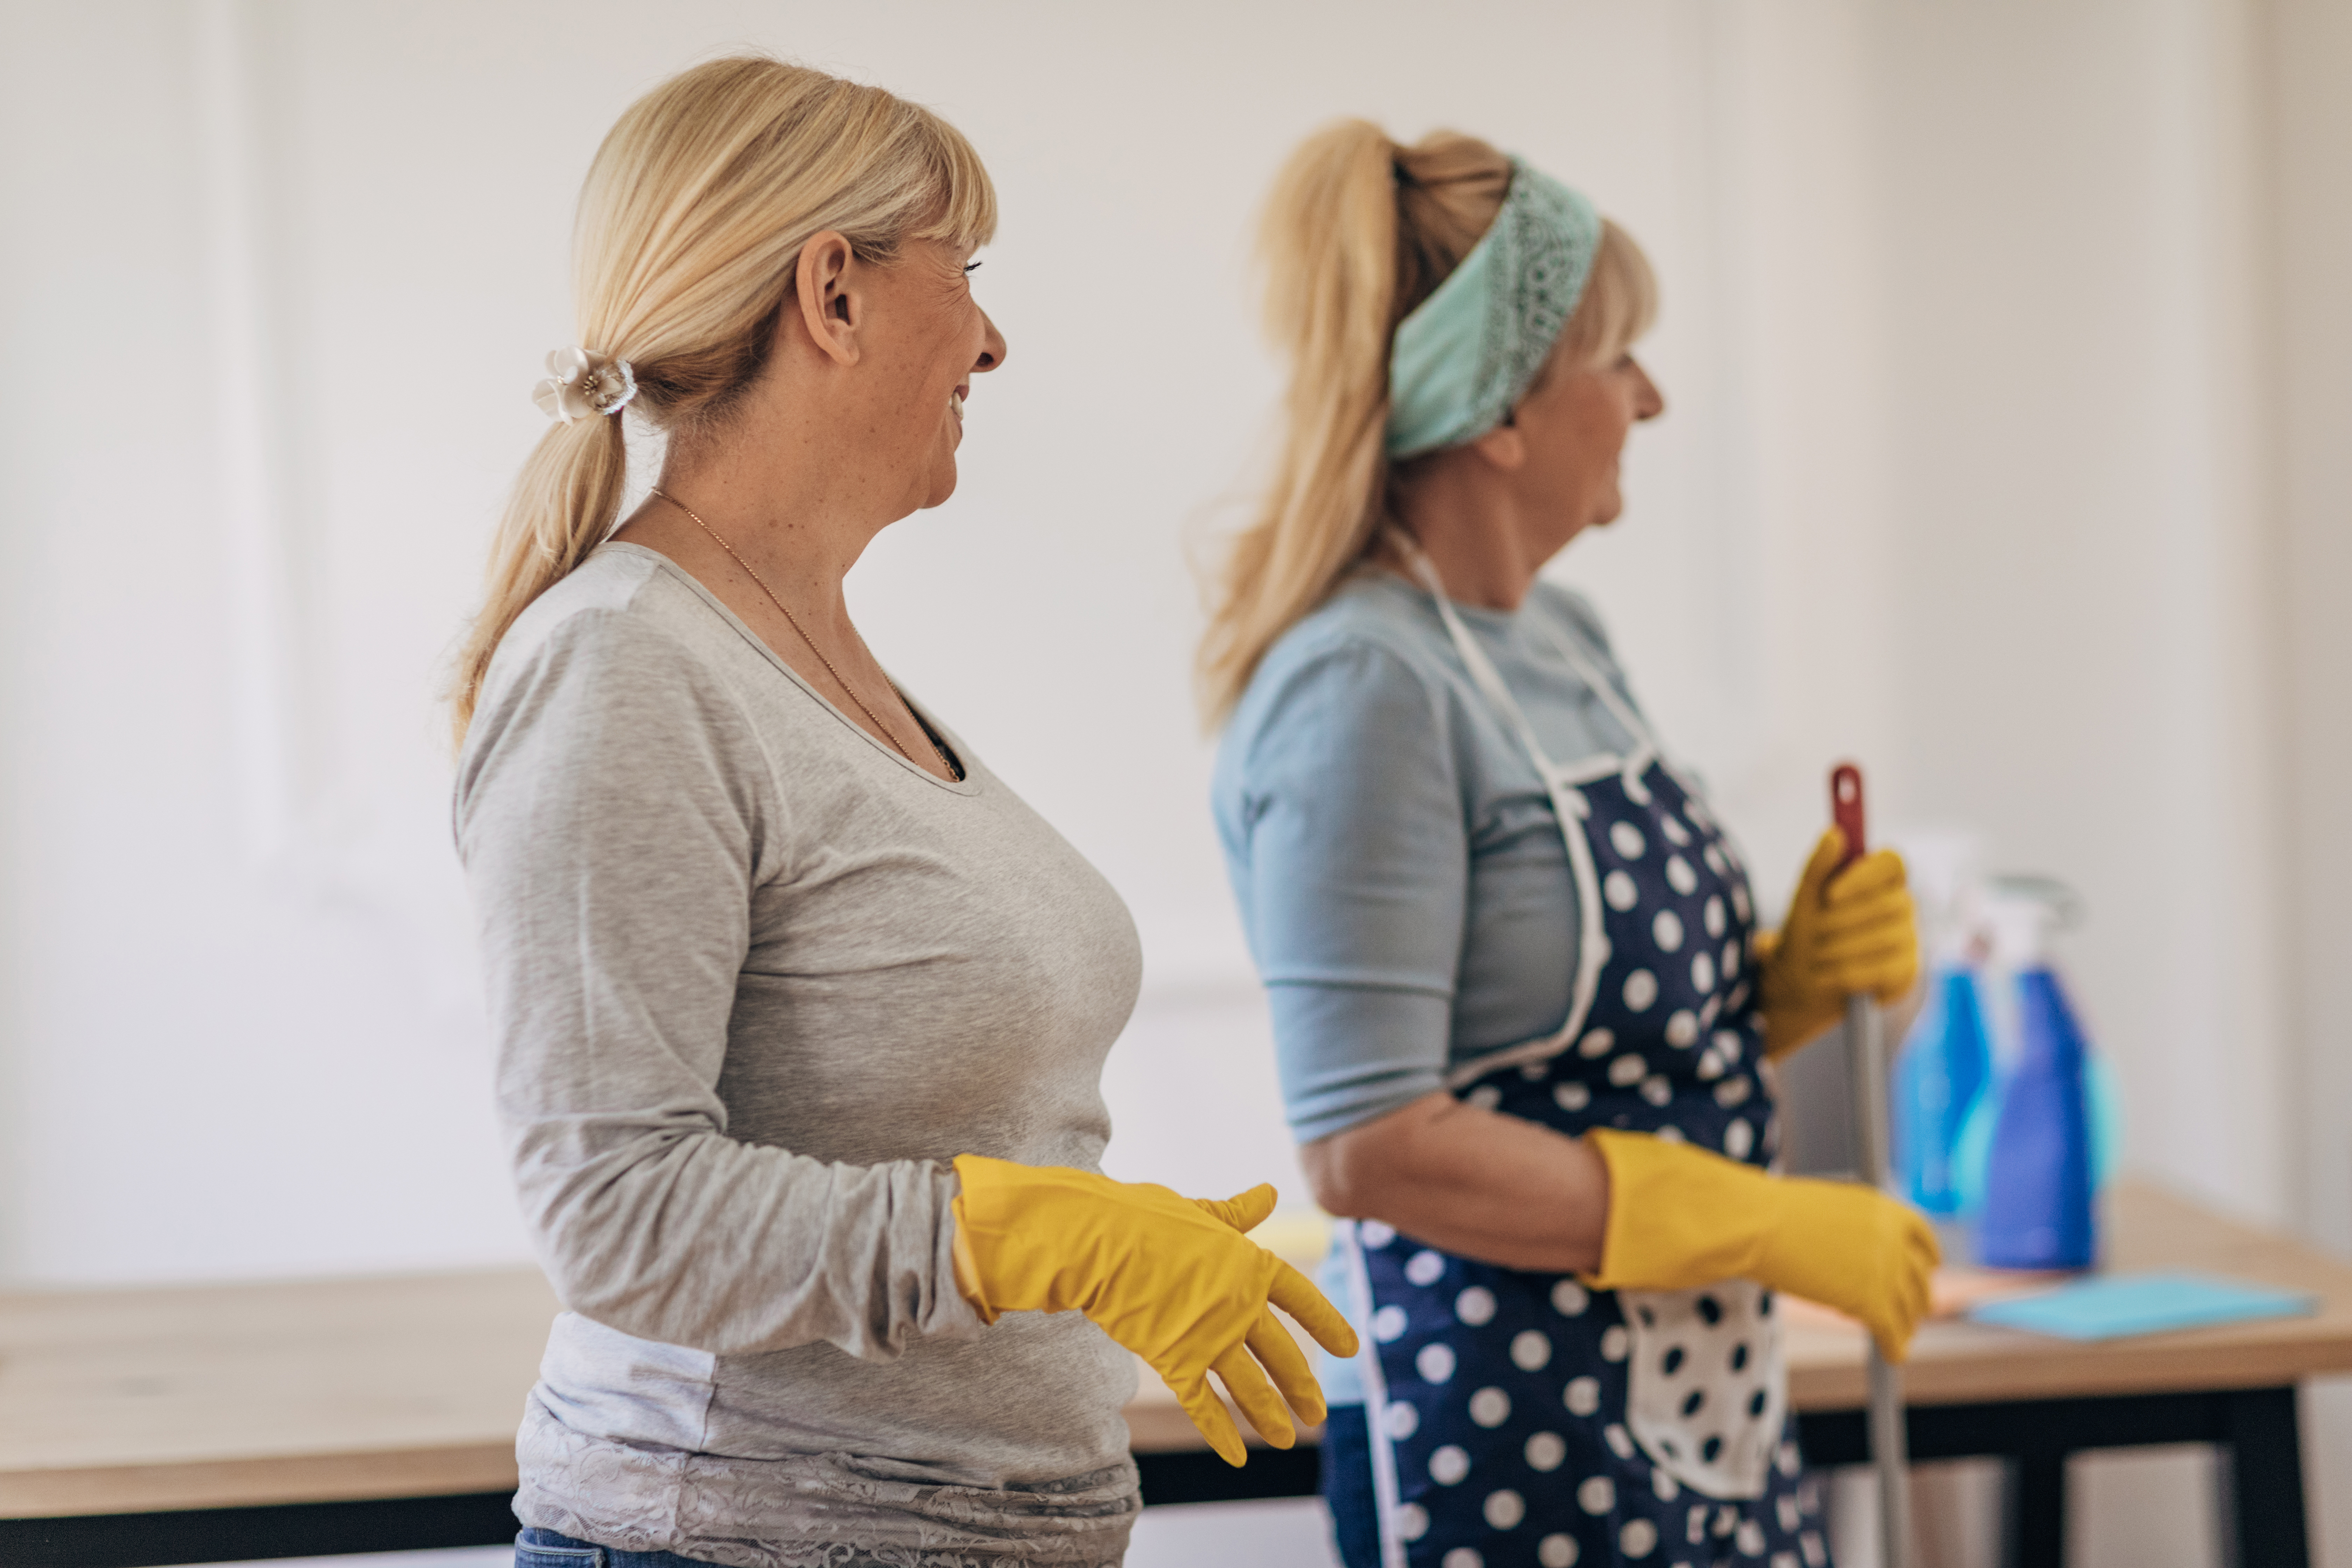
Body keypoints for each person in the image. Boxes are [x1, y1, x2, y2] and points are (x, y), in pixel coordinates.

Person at [451, 57, 1352, 1568]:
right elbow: (616, 1216)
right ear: (835, 294)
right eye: (968, 271)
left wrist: (1092, 1230)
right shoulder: (622, 665)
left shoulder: (807, 656)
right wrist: (1039, 1236)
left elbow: (909, 1138)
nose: (991, 342)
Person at [1204, 123, 1938, 1568]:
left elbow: (1593, 1055)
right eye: (1617, 358)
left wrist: (1785, 984)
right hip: (1495, 1432)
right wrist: (1762, 1222)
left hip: (1704, 1406)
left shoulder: (1565, 638)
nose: (1650, 398)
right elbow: (1368, 1149)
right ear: (1501, 412)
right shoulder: (1363, 687)